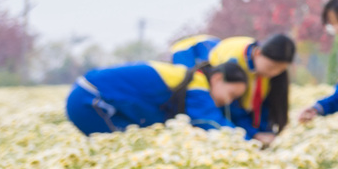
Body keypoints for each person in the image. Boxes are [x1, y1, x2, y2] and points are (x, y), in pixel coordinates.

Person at [65, 57, 248, 135]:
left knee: (128, 150)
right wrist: (250, 144)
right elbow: (212, 124)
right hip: (91, 100)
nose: (228, 101)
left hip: (86, 95)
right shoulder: (197, 84)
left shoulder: (188, 78)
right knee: (122, 152)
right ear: (217, 78)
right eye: (231, 94)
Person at [170, 32, 296, 142]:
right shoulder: (233, 62)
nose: (274, 73)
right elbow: (225, 111)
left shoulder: (261, 70)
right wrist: (250, 138)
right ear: (258, 53)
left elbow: (260, 107)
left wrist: (263, 133)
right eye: (271, 68)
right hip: (189, 54)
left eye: (280, 71)